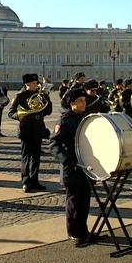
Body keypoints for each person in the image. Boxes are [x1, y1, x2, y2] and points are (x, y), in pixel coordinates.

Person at [48, 88, 91, 244]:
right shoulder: (64, 121)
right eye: (80, 101)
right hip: (72, 168)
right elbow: (54, 145)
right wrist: (68, 161)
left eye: (84, 100)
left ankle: (84, 230)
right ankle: (74, 232)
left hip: (85, 166)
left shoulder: (85, 118)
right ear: (72, 104)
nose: (84, 103)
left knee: (85, 200)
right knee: (73, 202)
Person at [8, 73, 52, 193]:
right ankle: (26, 182)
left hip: (38, 127)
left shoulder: (40, 95)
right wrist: (20, 116)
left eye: (36, 83)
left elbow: (49, 111)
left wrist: (46, 97)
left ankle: (34, 180)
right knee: (26, 157)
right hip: (26, 127)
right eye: (33, 83)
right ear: (26, 84)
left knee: (36, 157)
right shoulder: (20, 96)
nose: (36, 85)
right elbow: (10, 113)